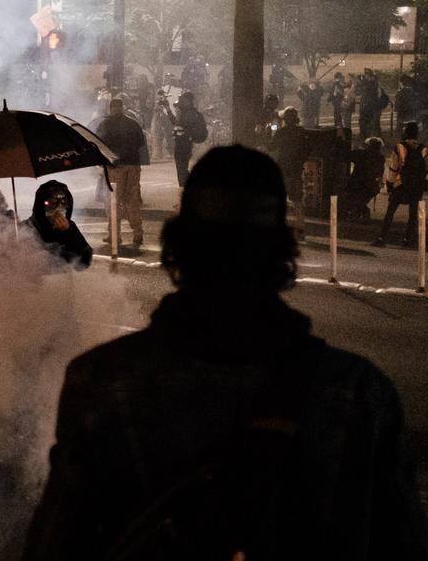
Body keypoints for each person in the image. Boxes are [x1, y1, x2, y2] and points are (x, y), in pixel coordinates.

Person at [23, 145, 428, 561]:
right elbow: (401, 543)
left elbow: (58, 545)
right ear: (281, 250)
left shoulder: (104, 383)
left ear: (180, 243)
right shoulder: (358, 393)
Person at [96, 98, 148, 248]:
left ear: (111, 108)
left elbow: (98, 143)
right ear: (122, 108)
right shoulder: (133, 123)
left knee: (113, 201)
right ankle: (137, 233)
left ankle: (114, 234)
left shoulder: (105, 124)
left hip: (115, 167)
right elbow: (141, 143)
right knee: (132, 199)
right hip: (133, 165)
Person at [374, 122, 428, 248]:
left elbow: (393, 167)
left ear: (406, 132)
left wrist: (390, 184)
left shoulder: (399, 147)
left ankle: (382, 238)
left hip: (401, 184)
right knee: (413, 214)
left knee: (391, 211)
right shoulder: (424, 149)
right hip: (417, 186)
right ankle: (407, 240)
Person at [23, 180, 92, 270]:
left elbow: (85, 262)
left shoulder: (69, 227)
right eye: (52, 203)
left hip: (64, 281)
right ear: (40, 206)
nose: (59, 208)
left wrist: (69, 232)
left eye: (64, 203)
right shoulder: (27, 229)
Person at [341, 137, 386, 220]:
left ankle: (359, 212)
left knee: (350, 198)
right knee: (361, 200)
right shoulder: (381, 158)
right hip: (373, 186)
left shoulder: (361, 154)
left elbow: (346, 155)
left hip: (358, 184)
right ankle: (359, 212)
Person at [271, 106, 308, 205]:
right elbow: (307, 148)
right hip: (297, 165)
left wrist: (269, 132)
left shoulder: (281, 132)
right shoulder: (301, 131)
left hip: (284, 164)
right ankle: (299, 216)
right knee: (296, 195)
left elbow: (272, 146)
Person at [171, 90, 208, 187]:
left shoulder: (188, 114)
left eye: (182, 100)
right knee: (182, 167)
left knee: (181, 168)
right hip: (185, 143)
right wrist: (168, 110)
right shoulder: (190, 112)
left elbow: (180, 126)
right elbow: (178, 125)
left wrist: (178, 116)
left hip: (183, 144)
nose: (180, 104)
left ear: (188, 101)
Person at [357, 71, 389, 141]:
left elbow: (372, 99)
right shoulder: (371, 86)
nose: (366, 78)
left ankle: (373, 142)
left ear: (372, 77)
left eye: (367, 76)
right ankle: (372, 141)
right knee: (371, 127)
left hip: (371, 111)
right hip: (369, 111)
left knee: (372, 127)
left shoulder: (373, 86)